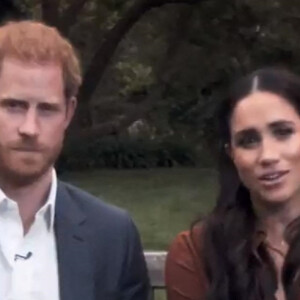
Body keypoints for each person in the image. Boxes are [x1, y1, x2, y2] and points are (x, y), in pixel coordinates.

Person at [0, 20, 149, 300]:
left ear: (68, 114)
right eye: (14, 106)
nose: (29, 128)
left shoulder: (112, 237)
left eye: (46, 109)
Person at [165, 68, 300, 300]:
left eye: (283, 132)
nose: (267, 155)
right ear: (232, 154)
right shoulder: (196, 251)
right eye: (248, 141)